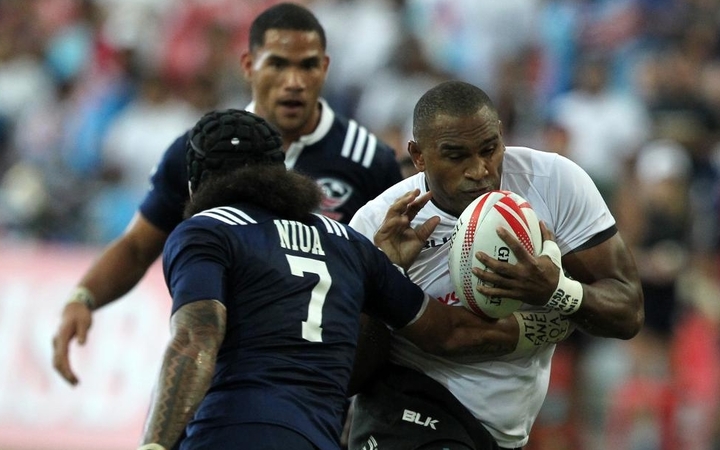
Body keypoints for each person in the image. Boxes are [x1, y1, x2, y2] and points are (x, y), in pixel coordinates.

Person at [136, 108, 573, 450]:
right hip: (319, 438)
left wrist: (154, 443)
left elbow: (195, 339)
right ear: (281, 173)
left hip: (228, 431)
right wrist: (558, 308)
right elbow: (450, 332)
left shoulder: (206, 229)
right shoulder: (348, 243)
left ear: (194, 187)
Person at [52, 2, 403, 386]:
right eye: (278, 64)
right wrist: (83, 298)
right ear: (249, 64)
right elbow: (138, 246)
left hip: (324, 379)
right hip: (220, 368)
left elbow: (388, 280)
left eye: (307, 65)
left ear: (326, 67)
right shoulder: (200, 152)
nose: (294, 81)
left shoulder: (370, 161)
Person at [347, 80, 644, 450]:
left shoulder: (555, 184)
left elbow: (628, 311)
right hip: (405, 410)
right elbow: (352, 376)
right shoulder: (376, 225)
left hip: (500, 432)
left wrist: (557, 291)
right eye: (456, 156)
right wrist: (383, 277)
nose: (480, 170)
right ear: (418, 155)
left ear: (502, 136)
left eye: (490, 149)